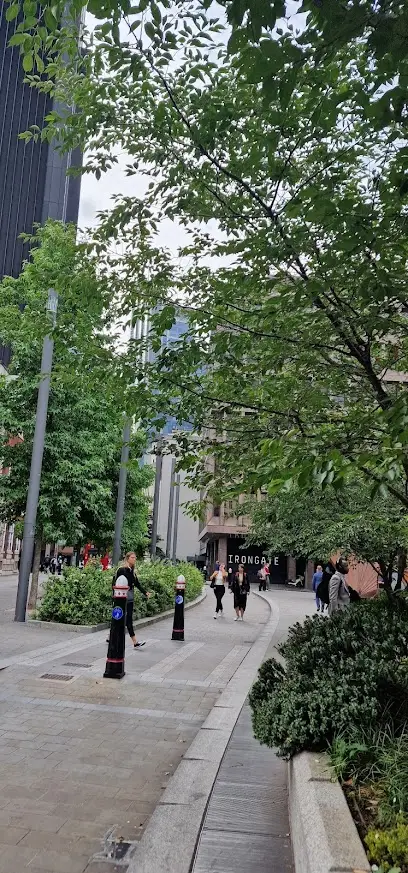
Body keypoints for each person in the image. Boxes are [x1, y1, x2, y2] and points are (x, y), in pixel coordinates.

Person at [113, 552, 152, 648]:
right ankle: (135, 642)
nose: (134, 559)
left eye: (135, 557)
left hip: (130, 597)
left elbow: (137, 584)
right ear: (127, 559)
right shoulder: (122, 570)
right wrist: (115, 597)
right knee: (120, 617)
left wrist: (145, 592)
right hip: (120, 598)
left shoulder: (132, 571)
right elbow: (115, 583)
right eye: (132, 557)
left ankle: (133, 642)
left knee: (127, 619)